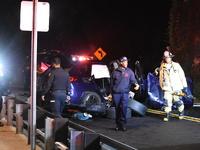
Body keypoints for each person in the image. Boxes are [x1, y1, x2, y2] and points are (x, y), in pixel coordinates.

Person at [155, 51, 188, 121]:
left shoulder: (176, 65)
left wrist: (185, 86)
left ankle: (181, 112)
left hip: (176, 87)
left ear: (171, 57)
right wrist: (157, 70)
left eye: (168, 57)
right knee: (167, 101)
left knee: (178, 100)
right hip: (167, 87)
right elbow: (156, 73)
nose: (167, 59)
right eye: (166, 58)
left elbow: (182, 76)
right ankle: (167, 114)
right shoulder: (162, 66)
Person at [111, 56, 139, 131]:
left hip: (125, 93)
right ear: (120, 62)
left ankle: (123, 124)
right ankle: (117, 124)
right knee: (117, 109)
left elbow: (133, 80)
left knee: (124, 108)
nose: (126, 63)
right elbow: (111, 84)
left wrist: (136, 84)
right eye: (124, 62)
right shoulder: (115, 72)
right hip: (116, 93)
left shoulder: (129, 71)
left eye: (127, 61)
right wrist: (110, 94)